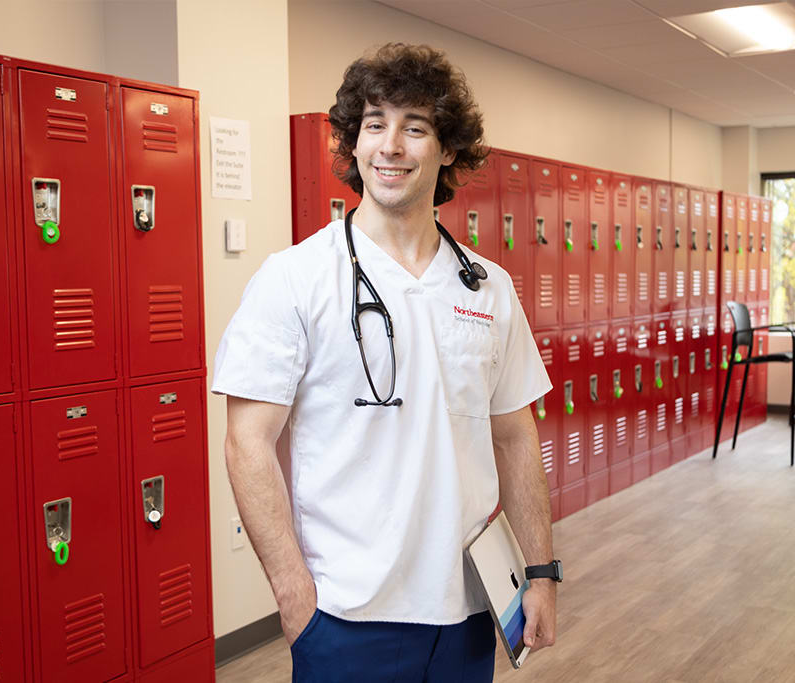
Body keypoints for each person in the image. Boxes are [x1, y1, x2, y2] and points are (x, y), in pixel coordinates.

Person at [212, 43, 557, 682]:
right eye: (374, 125)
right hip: (346, 617)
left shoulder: (488, 287)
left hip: (468, 611)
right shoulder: (295, 278)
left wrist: (539, 573)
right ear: (353, 141)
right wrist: (296, 601)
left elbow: (513, 436)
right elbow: (246, 443)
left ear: (448, 149)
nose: (389, 145)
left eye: (414, 128)